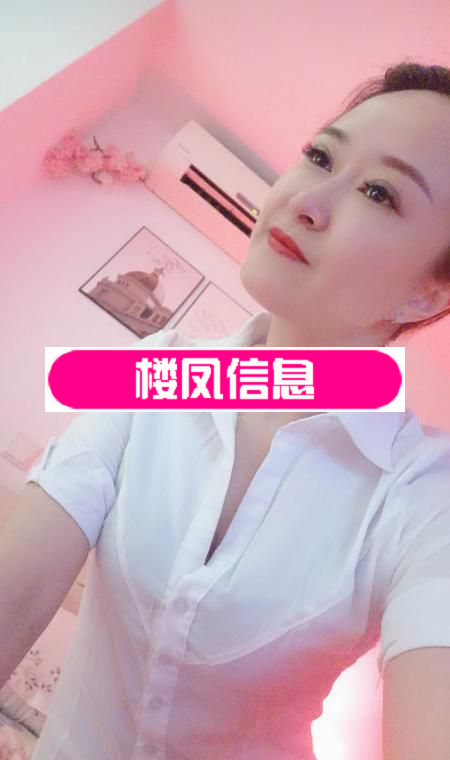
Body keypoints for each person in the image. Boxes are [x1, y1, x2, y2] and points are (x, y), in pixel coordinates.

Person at [4, 60, 450, 759]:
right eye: (320, 156)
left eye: (378, 192)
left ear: (427, 295)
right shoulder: (159, 370)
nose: (308, 200)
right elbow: (18, 592)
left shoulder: (425, 494)